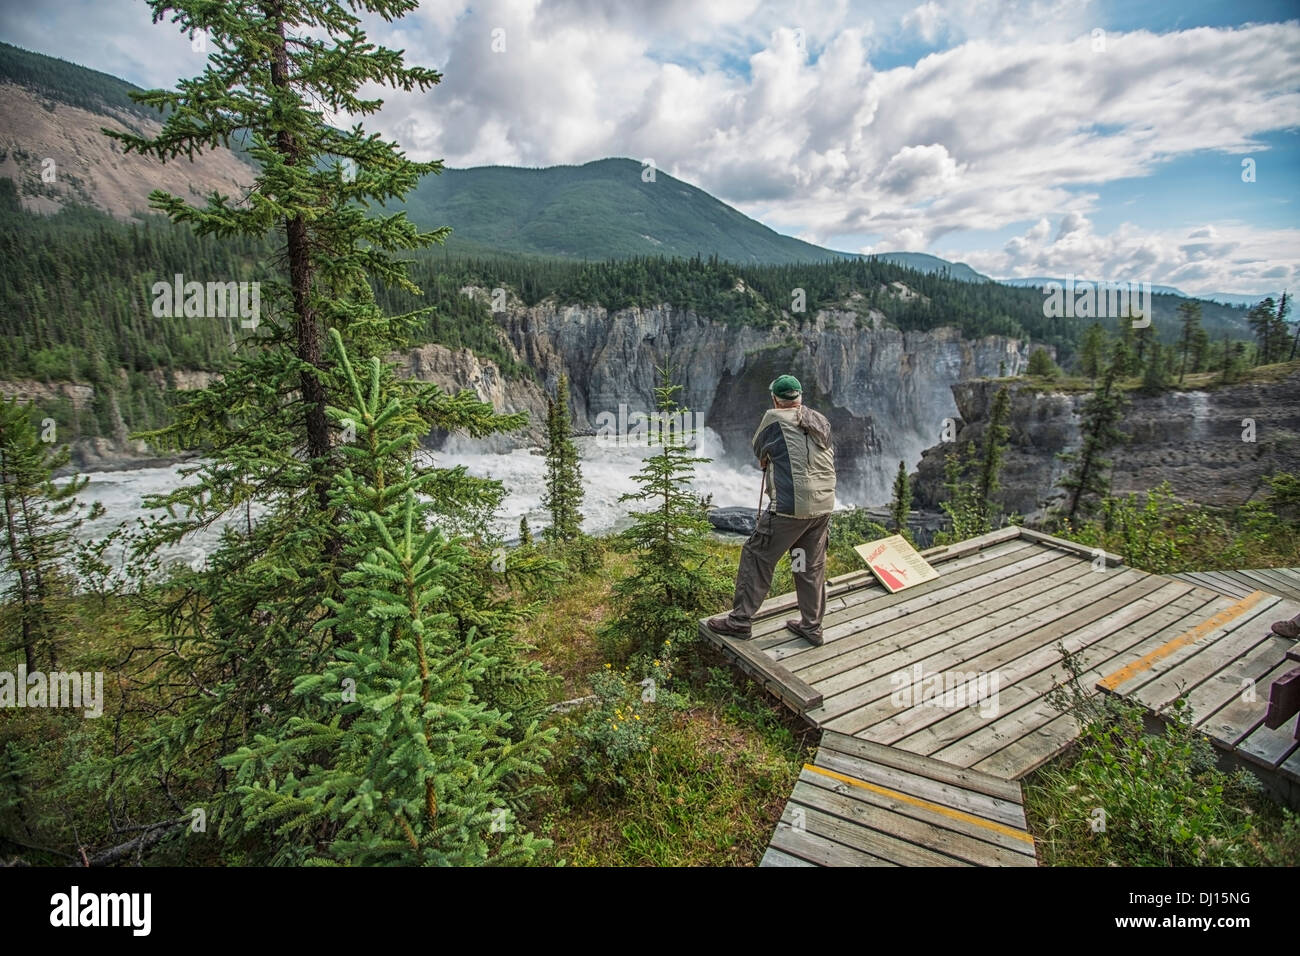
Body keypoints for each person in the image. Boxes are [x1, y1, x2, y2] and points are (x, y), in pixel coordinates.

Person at [707, 374, 836, 645]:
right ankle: (812, 627)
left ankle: (740, 621)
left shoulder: (774, 418)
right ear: (800, 397)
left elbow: (759, 449)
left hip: (790, 508)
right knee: (807, 565)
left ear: (776, 398)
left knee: (757, 556)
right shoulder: (820, 420)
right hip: (823, 507)